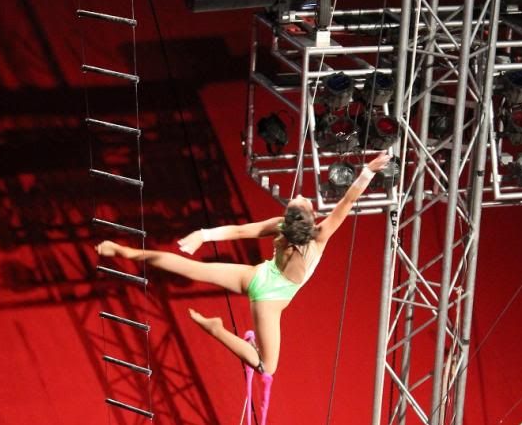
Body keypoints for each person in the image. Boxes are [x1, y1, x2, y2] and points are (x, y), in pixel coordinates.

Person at [96, 151, 391, 375]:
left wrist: (202, 234)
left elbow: (238, 231)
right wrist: (367, 170)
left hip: (257, 275)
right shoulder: (321, 235)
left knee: (191, 268)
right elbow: (347, 202)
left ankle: (126, 252)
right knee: (267, 367)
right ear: (312, 217)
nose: (301, 195)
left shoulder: (280, 225)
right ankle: (216, 330)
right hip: (269, 298)